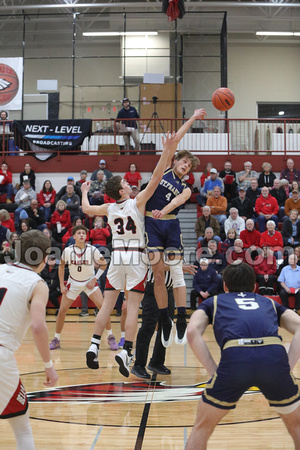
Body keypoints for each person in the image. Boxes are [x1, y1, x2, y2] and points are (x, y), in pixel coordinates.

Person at [82, 121, 200, 377]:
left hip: (117, 257)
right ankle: (128, 352)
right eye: (125, 182)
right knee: (135, 308)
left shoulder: (111, 208)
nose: (128, 182)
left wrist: (84, 192)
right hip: (137, 256)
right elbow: (157, 175)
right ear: (123, 189)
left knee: (107, 306)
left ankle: (93, 344)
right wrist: (168, 149)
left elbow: (87, 210)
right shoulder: (138, 202)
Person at [186, 262, 300, 450]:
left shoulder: (214, 301)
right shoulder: (269, 302)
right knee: (296, 425)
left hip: (235, 358)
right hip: (273, 357)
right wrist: (288, 367)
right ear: (254, 286)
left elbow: (191, 332)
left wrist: (214, 371)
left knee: (202, 428)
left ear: (225, 286)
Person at [145, 108, 207, 349]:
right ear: (176, 160)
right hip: (151, 222)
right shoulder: (162, 170)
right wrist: (192, 117)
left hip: (170, 224)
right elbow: (175, 141)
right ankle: (165, 318)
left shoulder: (186, 188)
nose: (187, 166)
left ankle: (182, 318)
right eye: (184, 161)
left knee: (177, 272)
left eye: (190, 166)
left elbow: (177, 202)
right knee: (158, 275)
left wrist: (165, 209)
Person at [0, 230, 58, 448]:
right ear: (44, 258)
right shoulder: (37, 283)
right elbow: (38, 325)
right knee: (22, 430)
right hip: (1, 354)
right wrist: (48, 366)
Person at [49, 225, 113, 350]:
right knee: (62, 311)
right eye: (79, 233)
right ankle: (56, 339)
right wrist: (62, 285)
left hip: (89, 282)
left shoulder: (92, 249)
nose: (82, 235)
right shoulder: (68, 250)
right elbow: (61, 267)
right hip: (73, 283)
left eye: (83, 233)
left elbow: (104, 264)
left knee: (103, 308)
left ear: (86, 236)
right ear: (74, 236)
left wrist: (94, 279)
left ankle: (110, 337)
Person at [131, 263, 196, 379]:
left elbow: (180, 267)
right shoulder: (155, 247)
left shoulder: (176, 249)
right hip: (153, 289)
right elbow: (154, 265)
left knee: (166, 326)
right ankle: (138, 365)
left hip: (170, 290)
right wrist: (179, 267)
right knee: (148, 327)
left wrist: (183, 268)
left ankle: (157, 362)